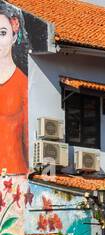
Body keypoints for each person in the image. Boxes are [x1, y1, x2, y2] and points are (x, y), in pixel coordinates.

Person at [0, 3, 30, 176]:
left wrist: (48, 176)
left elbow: (29, 144)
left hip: (15, 184)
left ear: (14, 35)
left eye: (2, 33)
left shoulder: (24, 85)